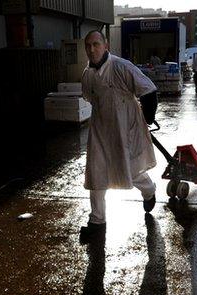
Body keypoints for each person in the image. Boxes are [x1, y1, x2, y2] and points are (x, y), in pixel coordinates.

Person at [80, 30, 159, 238]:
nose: (92, 49)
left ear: (106, 46)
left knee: (131, 171)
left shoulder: (121, 67)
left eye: (96, 44)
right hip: (100, 131)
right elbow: (90, 98)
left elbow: (148, 90)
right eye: (88, 45)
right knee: (96, 174)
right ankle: (97, 221)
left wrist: (148, 118)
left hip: (126, 129)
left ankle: (149, 190)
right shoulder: (87, 74)